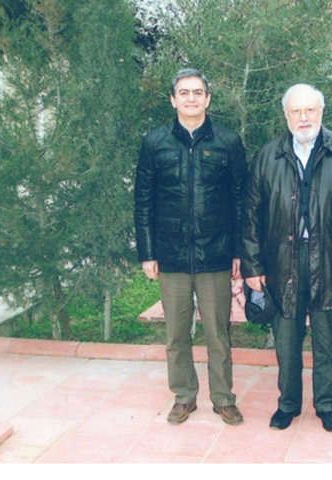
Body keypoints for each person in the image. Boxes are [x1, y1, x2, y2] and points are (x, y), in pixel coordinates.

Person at [240, 84, 332, 432]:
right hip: (281, 261)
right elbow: (250, 215)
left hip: (331, 260)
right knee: (286, 340)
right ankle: (288, 404)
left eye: (310, 109)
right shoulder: (268, 156)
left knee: (328, 340)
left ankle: (326, 405)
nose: (303, 117)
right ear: (286, 115)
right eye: (296, 111)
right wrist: (252, 266)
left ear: (321, 112)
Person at [134, 69, 247, 426]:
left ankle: (223, 398)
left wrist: (238, 251)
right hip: (171, 255)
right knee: (176, 334)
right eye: (184, 93)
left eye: (198, 92)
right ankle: (184, 396)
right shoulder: (155, 142)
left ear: (208, 98)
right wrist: (147, 253)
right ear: (173, 100)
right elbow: (143, 201)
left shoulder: (228, 141)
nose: (191, 98)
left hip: (215, 253)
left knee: (218, 333)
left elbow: (240, 201)